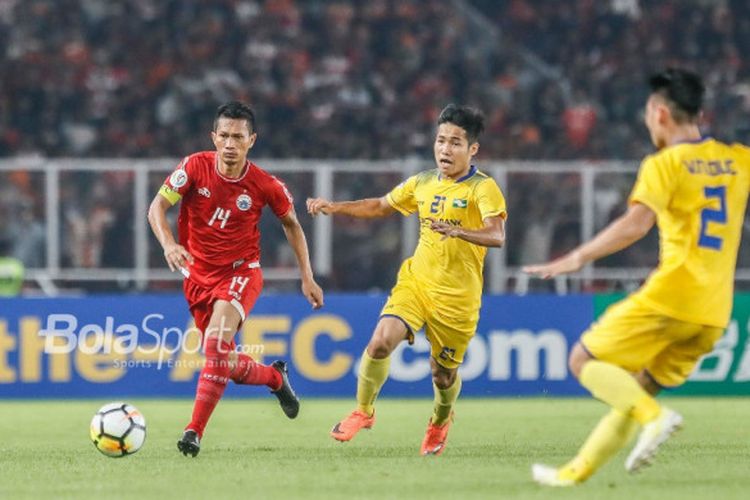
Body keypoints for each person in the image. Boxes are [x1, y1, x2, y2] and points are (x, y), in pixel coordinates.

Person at [524, 68, 750, 485]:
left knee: (583, 360)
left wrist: (578, 257)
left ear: (660, 114)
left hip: (674, 295)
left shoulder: (664, 164)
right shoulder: (738, 159)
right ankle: (575, 473)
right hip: (716, 312)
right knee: (638, 390)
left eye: (648, 114)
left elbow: (635, 223)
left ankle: (657, 419)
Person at [307, 104, 507, 456]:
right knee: (381, 341)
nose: (445, 149)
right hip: (416, 283)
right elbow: (380, 206)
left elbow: (497, 234)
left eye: (456, 143)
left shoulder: (483, 188)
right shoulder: (423, 181)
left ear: (473, 149)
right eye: (441, 140)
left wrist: (460, 231)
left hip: (458, 299)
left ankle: (440, 421)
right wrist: (335, 207)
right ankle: (363, 412)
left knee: (442, 376)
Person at [148, 101, 324, 457]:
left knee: (214, 347)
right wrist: (169, 244)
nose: (230, 143)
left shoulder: (265, 184)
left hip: (240, 273)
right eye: (224, 136)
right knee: (223, 362)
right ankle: (275, 378)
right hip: (197, 277)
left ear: (251, 140)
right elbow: (157, 207)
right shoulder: (193, 167)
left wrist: (307, 276)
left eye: (238, 137)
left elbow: (292, 224)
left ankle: (193, 432)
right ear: (214, 137)